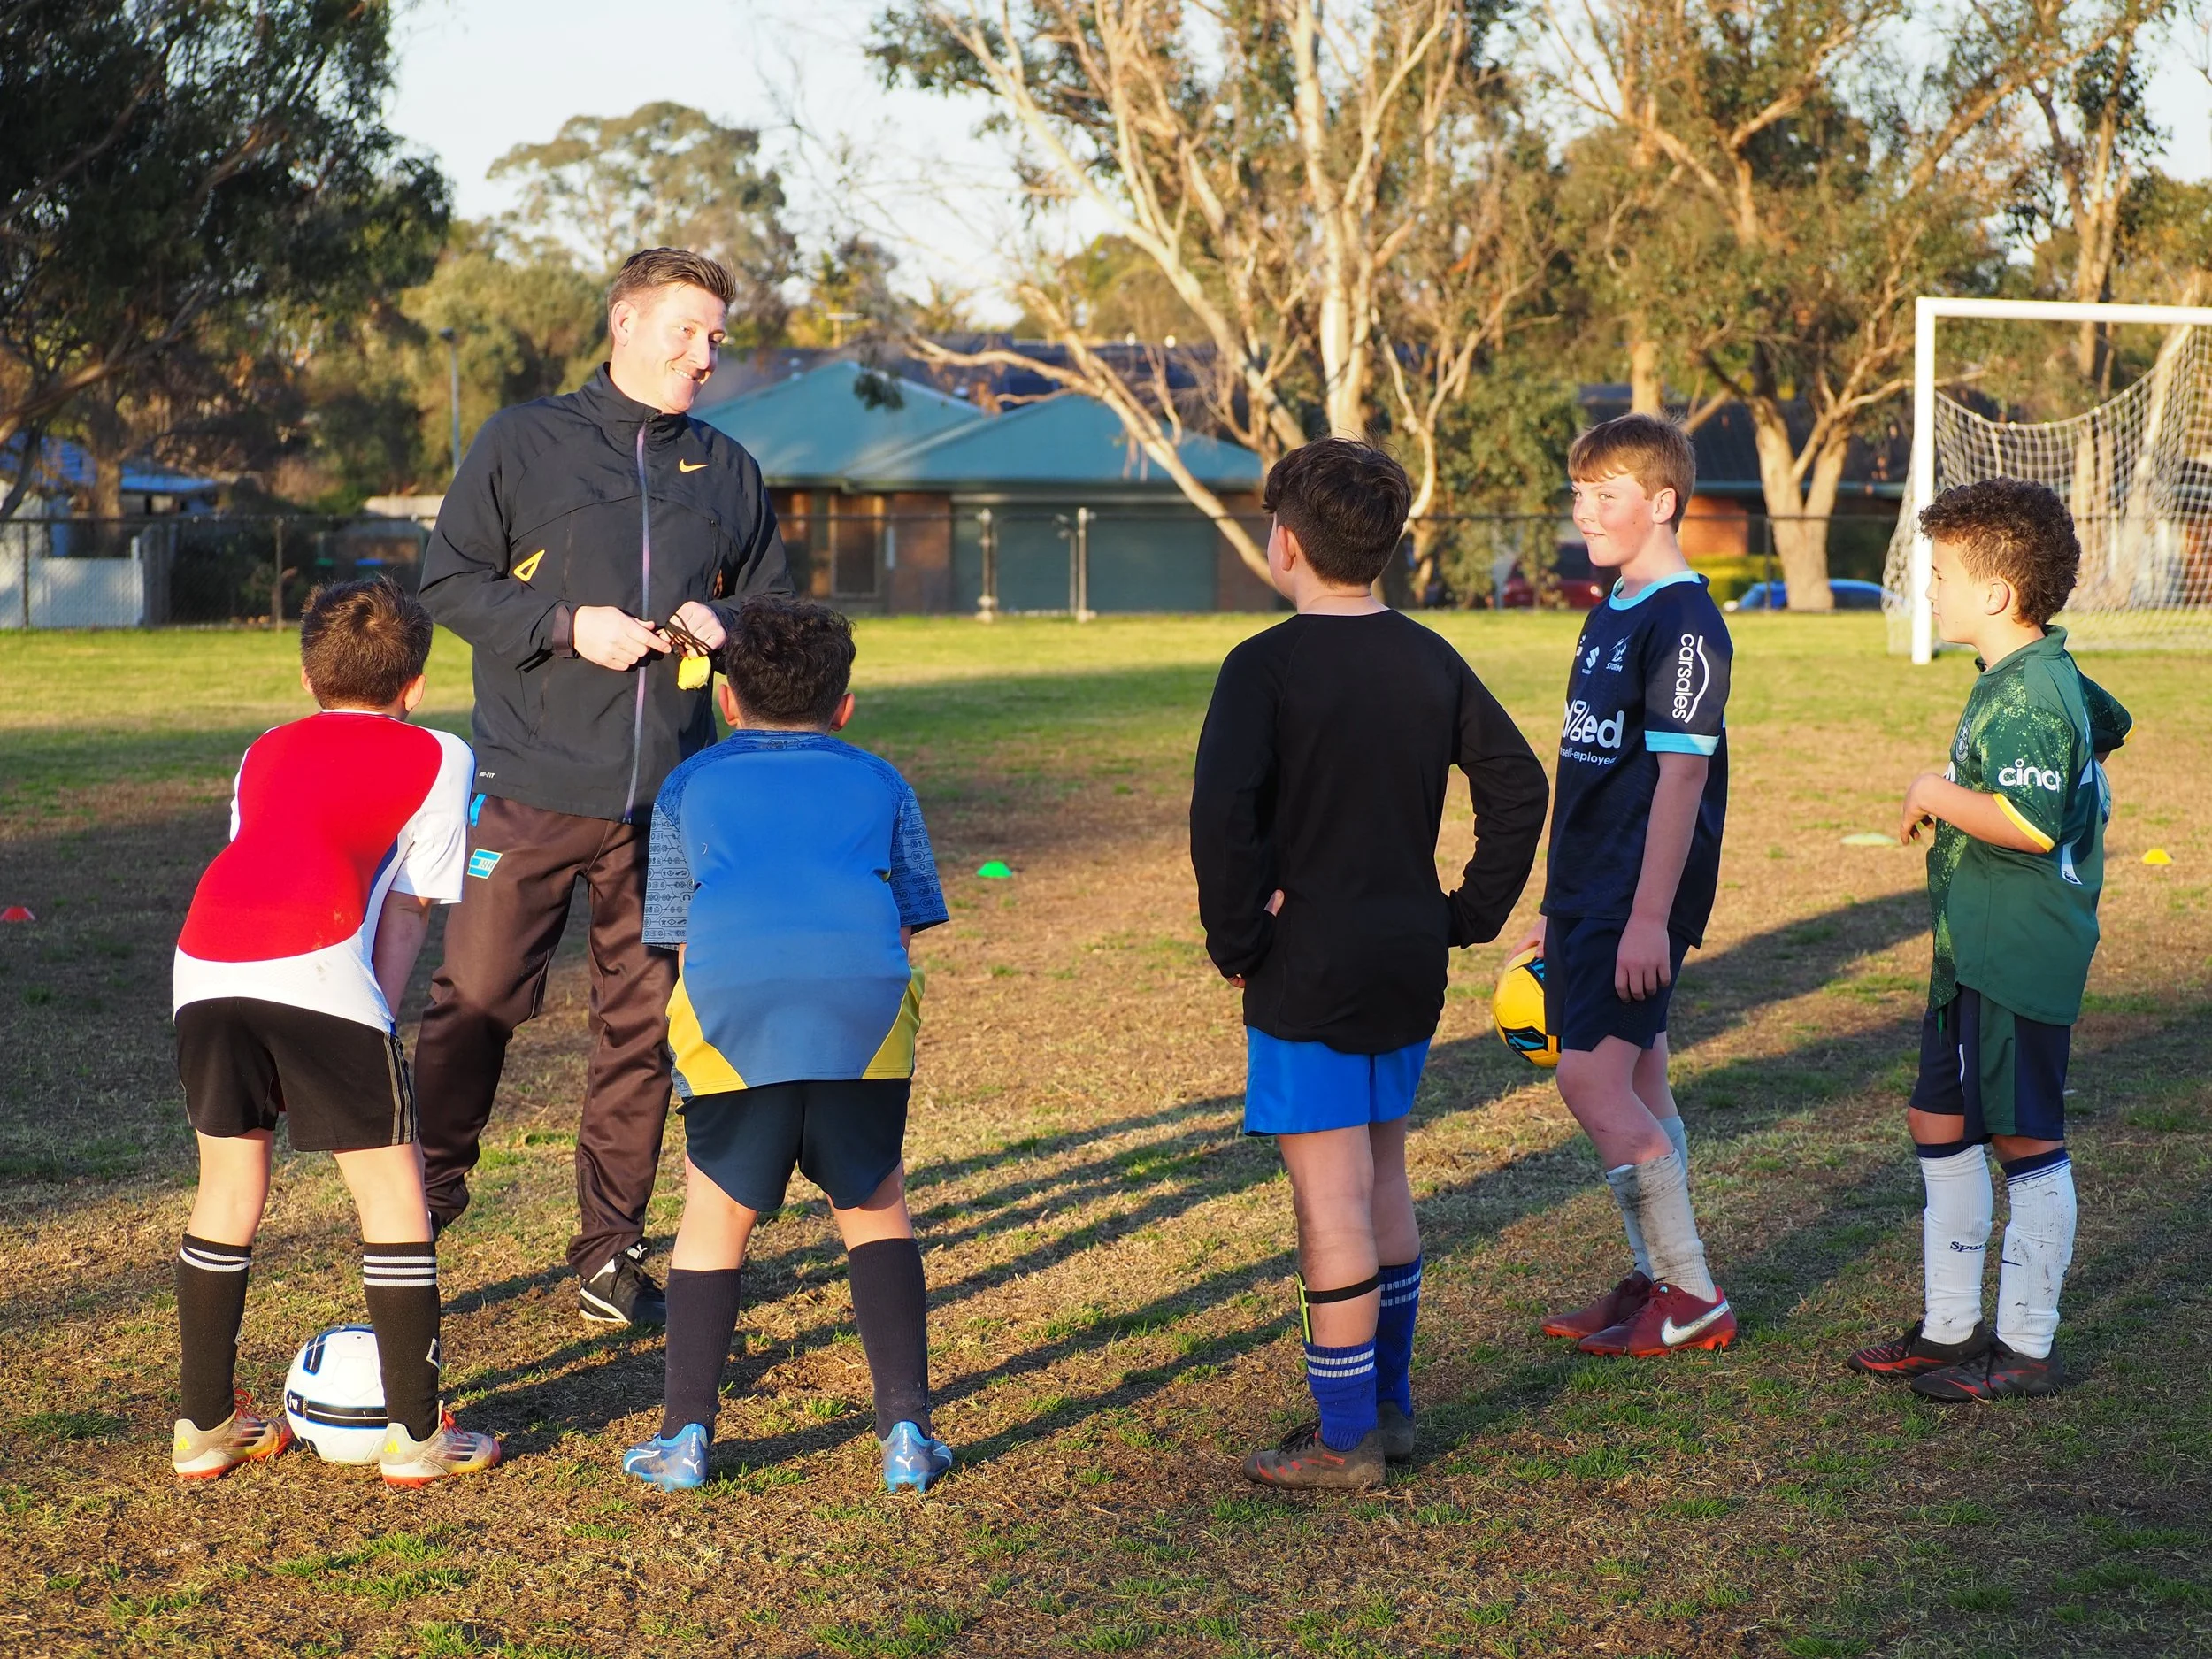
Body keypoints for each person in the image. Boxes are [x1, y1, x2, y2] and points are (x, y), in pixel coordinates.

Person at [412, 247, 791, 1328]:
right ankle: (418, 1218)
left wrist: (735, 626)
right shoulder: (521, 440)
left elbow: (773, 604)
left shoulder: (725, 468)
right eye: (687, 330)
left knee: (638, 1030)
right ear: (625, 323)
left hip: (667, 808)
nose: (705, 355)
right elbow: (447, 581)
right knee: (476, 1002)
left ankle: (607, 1254)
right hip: (532, 790)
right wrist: (564, 626)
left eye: (716, 335)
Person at [1192, 439, 1548, 1490]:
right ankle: (1387, 1412)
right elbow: (1517, 788)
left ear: (1285, 543)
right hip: (1404, 956)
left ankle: (1346, 1439)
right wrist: (1463, 914)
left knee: (1331, 1202)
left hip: (1308, 966)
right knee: (1383, 1170)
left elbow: (1223, 822)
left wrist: (1240, 944)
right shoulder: (1431, 656)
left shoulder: (1263, 664)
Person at [168, 577, 501, 1486]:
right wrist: (375, 1017)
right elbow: (406, 910)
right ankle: (419, 1440)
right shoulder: (440, 753)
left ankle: (203, 1429)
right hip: (318, 963)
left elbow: (260, 852)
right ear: (416, 685)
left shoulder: (264, 748)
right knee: (393, 1196)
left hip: (202, 961)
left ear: (310, 680)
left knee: (229, 1184)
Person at [620, 596, 953, 1494]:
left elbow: (677, 933)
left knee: (715, 1215)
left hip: (732, 1011)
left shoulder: (690, 787)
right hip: (864, 1011)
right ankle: (908, 1436)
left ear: (727, 701)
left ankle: (685, 1438)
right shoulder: (880, 780)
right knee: (876, 1205)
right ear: (844, 705)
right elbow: (911, 916)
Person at [1848, 479, 2129, 1401]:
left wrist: (1934, 790)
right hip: (1969, 946)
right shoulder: (2027, 675)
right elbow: (2107, 722)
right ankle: (1950, 1324)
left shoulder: (2029, 693)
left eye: (1937, 575)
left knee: (2021, 1136)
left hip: (2017, 954)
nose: (1925, 590)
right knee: (1937, 1116)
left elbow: (2030, 820)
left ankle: (2027, 1345)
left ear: (1997, 594)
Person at [1520, 413, 1737, 1359]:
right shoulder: (1609, 605)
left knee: (1587, 1076)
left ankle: (1689, 1292)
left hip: (1635, 897)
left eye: (1604, 495)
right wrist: (1550, 900)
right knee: (1640, 1076)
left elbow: (1681, 779)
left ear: (1661, 502)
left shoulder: (1685, 620)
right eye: (1578, 494)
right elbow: (1586, 769)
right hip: (1587, 888)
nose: (1584, 512)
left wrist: (1650, 917)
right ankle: (1662, 1279)